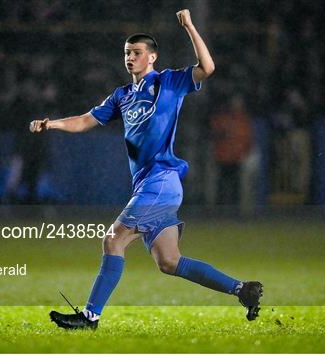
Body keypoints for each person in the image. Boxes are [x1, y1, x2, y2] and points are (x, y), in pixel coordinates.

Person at [30, 9, 263, 329]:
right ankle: (241, 290)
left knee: (112, 240)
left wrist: (190, 26)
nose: (130, 58)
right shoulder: (122, 96)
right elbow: (85, 120)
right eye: (127, 53)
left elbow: (207, 67)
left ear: (152, 57)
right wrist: (51, 123)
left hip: (161, 181)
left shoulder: (169, 81)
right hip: (149, 186)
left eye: (137, 53)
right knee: (169, 262)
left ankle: (90, 317)